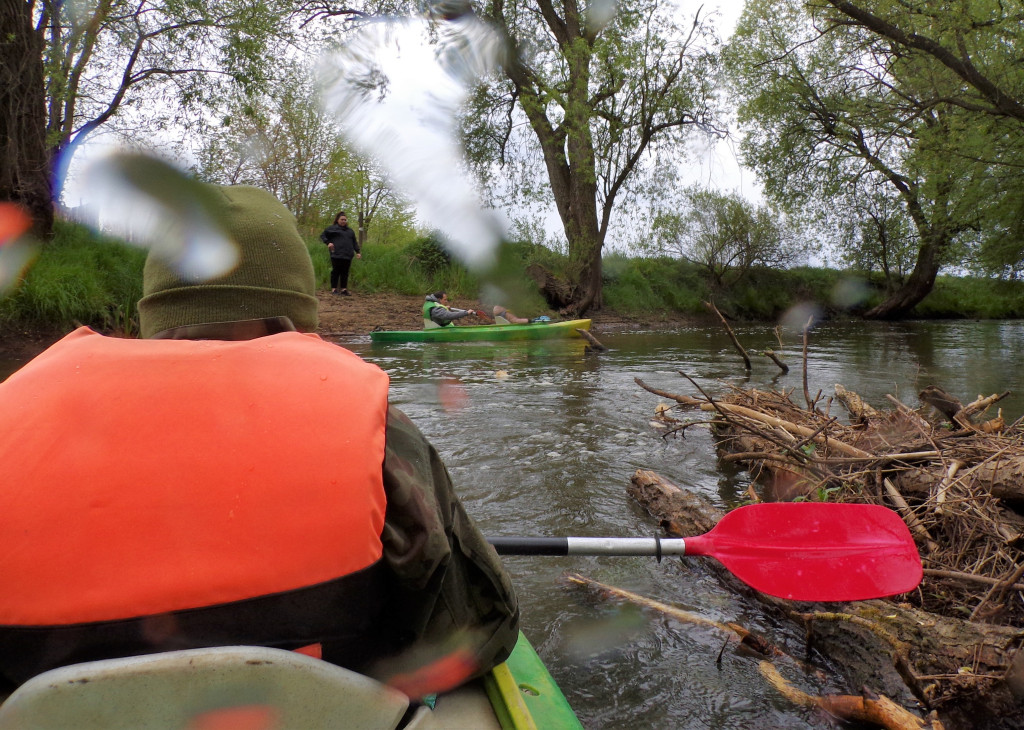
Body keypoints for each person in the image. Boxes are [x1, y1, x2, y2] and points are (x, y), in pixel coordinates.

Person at [0, 185, 518, 692]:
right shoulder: (376, 427)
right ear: (294, 314)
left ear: (155, 313)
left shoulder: (13, 414)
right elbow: (480, 628)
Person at [320, 210, 360, 295]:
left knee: (345, 272)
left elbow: (354, 242)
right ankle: (334, 289)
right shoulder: (332, 228)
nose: (343, 221)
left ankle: (343, 290)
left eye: (345, 220)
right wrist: (328, 243)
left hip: (348, 254)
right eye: (342, 219)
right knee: (336, 272)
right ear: (338, 220)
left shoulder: (350, 231)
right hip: (336, 254)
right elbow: (323, 235)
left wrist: (358, 251)